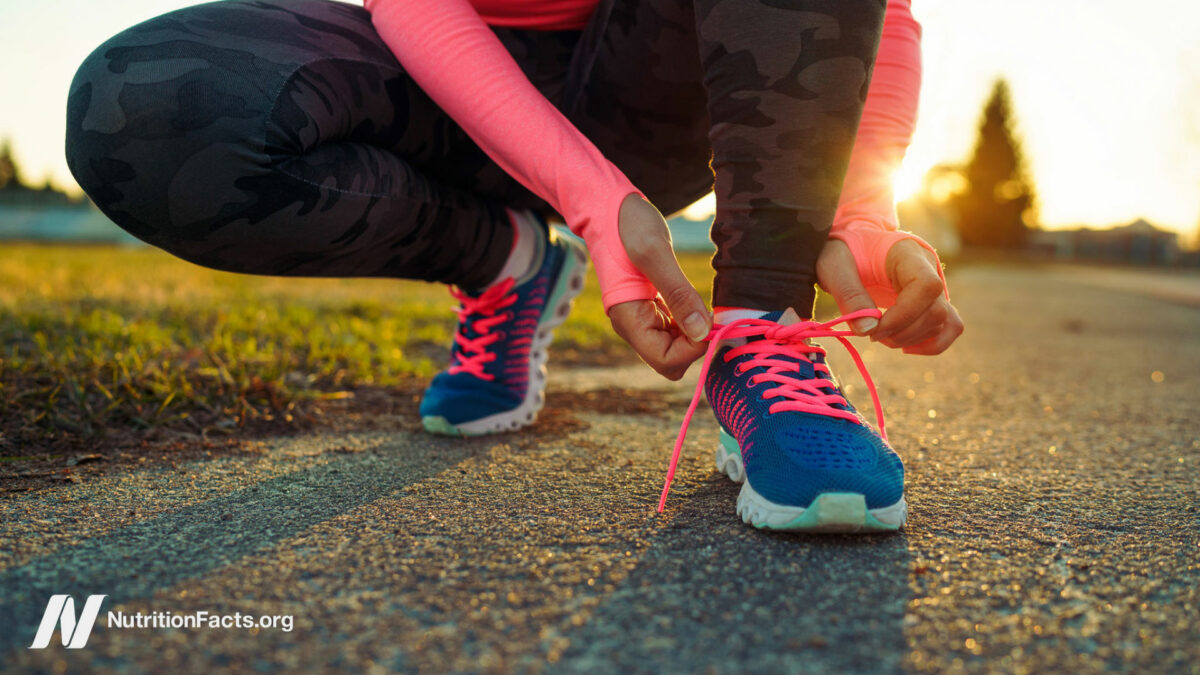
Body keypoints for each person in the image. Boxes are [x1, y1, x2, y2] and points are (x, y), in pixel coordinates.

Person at [65, 0, 961, 533]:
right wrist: (590, 204)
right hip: (449, 73)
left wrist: (859, 211)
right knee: (144, 110)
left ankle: (759, 329)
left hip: (664, 83)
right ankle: (506, 263)